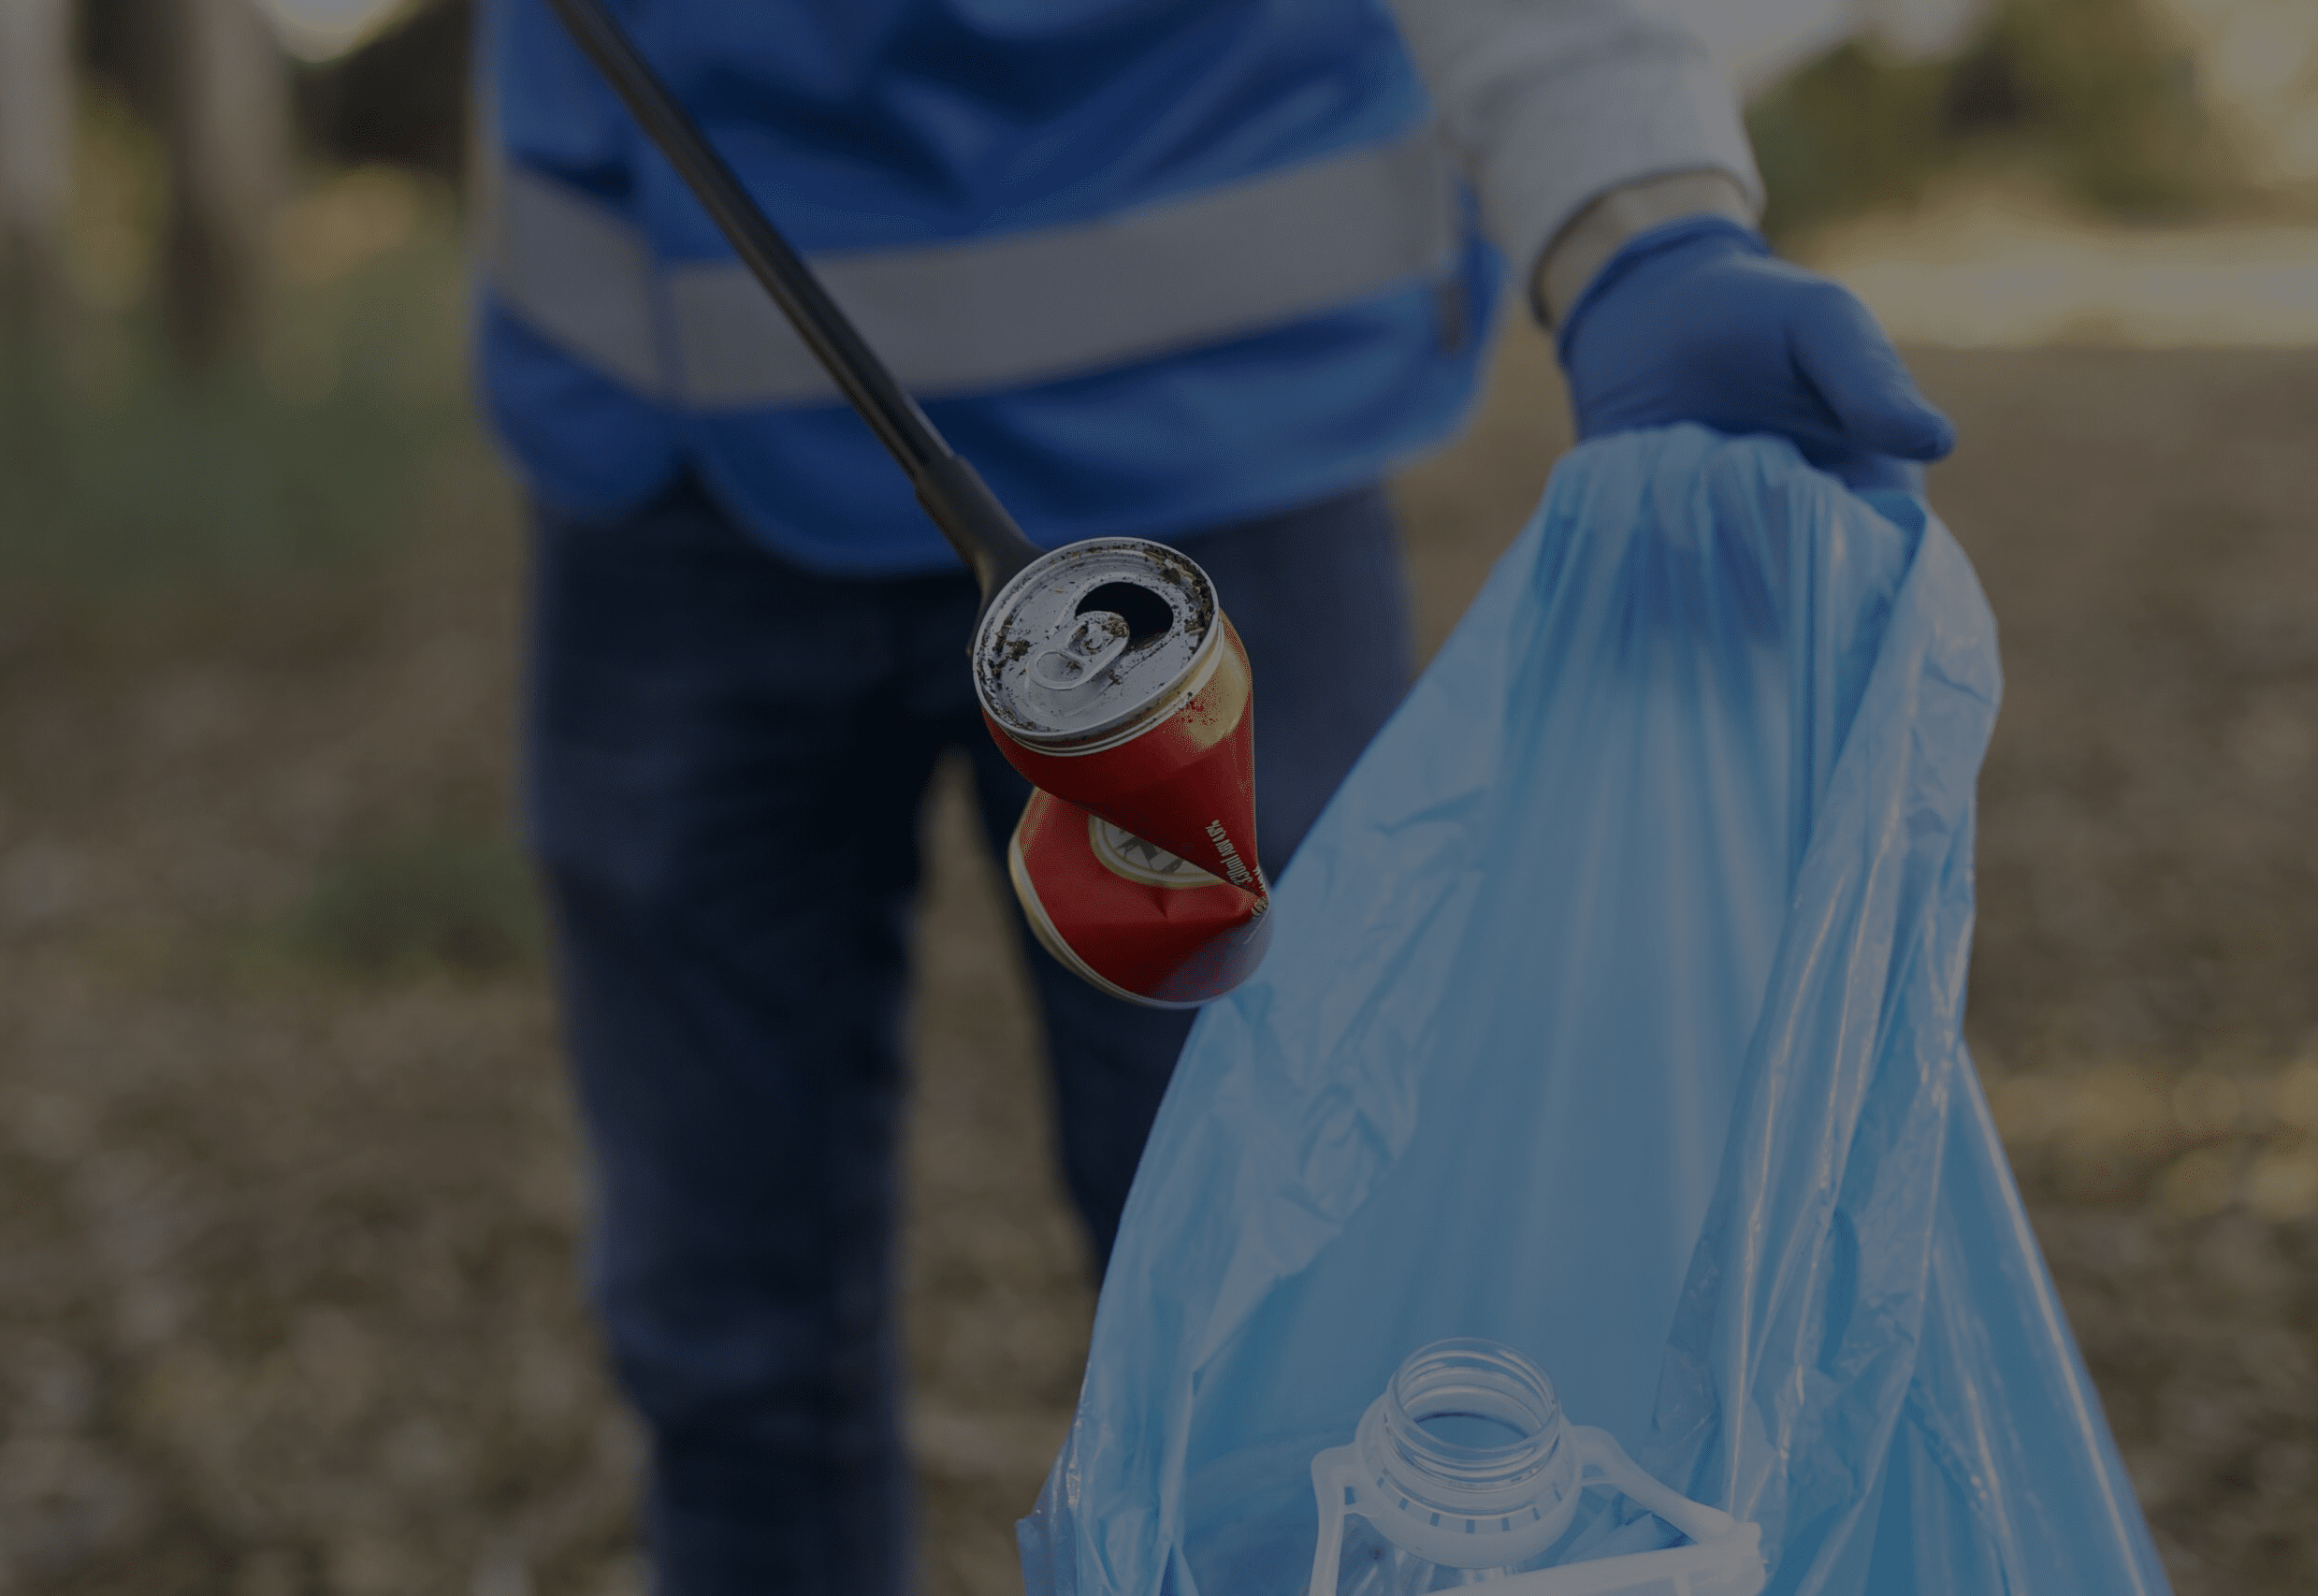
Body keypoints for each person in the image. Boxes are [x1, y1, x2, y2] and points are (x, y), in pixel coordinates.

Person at [473, 1, 1956, 1589]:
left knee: (1288, 1355)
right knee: (725, 1347)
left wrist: (1640, 221)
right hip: (670, 468)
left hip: (1213, 463)